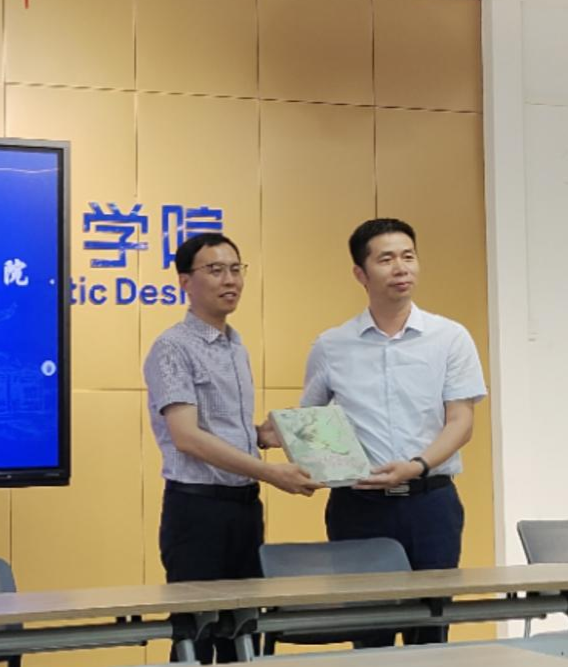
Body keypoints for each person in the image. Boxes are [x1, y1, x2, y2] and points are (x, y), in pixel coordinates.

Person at [299, 218, 487, 646]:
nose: (401, 268)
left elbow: (461, 422)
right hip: (358, 506)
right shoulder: (331, 345)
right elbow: (310, 422)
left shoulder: (450, 337)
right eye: (386, 259)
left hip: (430, 502)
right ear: (360, 274)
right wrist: (297, 447)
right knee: (369, 632)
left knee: (431, 631)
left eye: (408, 256)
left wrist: (417, 466)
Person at [144, 232, 322, 663]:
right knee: (197, 636)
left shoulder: (235, 345)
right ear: (185, 282)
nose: (230, 280)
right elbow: (187, 437)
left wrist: (263, 435)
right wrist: (270, 471)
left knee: (242, 633)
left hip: (243, 508)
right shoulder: (172, 347)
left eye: (236, 269)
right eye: (216, 270)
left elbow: (221, 429)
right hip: (197, 511)